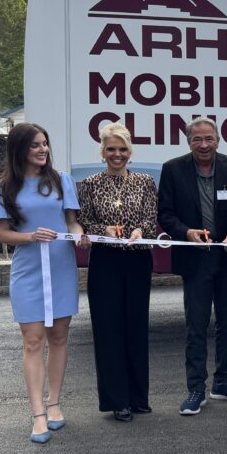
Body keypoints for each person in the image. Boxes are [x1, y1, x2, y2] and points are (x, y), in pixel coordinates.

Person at [0, 123, 89, 443]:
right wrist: (31, 236)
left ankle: (55, 404)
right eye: (35, 146)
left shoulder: (61, 180)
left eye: (45, 144)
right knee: (32, 341)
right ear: (19, 150)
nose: (43, 150)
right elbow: (1, 233)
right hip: (28, 269)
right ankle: (38, 414)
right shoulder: (3, 187)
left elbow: (71, 221)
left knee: (59, 336)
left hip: (60, 266)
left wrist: (80, 234)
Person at [157, 117, 227, 416]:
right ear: (188, 141)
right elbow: (166, 213)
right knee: (196, 325)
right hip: (195, 259)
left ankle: (224, 381)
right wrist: (186, 232)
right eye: (197, 139)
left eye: (209, 138)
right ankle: (195, 388)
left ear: (219, 140)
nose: (204, 144)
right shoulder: (173, 169)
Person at [78, 122, 158, 422]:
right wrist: (104, 230)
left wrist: (140, 230)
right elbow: (83, 224)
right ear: (102, 151)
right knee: (109, 330)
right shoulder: (89, 184)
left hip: (138, 261)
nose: (117, 154)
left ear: (130, 152)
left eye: (122, 149)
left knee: (136, 328)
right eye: (111, 149)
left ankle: (138, 397)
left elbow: (151, 219)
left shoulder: (145, 182)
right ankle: (117, 400)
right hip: (105, 263)